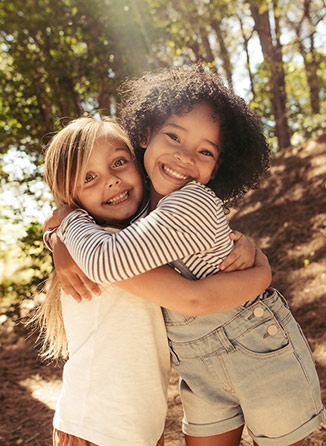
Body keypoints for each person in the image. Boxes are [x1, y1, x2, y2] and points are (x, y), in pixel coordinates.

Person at [49, 65, 325, 446]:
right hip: (194, 369)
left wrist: (65, 221)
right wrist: (59, 227)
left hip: (256, 351)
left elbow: (114, 263)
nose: (183, 156)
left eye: (205, 151)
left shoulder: (190, 200)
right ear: (145, 135)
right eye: (174, 137)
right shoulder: (139, 209)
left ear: (216, 169)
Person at [38, 116, 272, 446]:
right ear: (69, 194)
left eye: (119, 162)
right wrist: (262, 271)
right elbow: (195, 299)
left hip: (138, 427)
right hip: (100, 429)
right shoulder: (102, 253)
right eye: (89, 177)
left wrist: (242, 244)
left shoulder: (132, 241)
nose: (111, 181)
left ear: (139, 160)